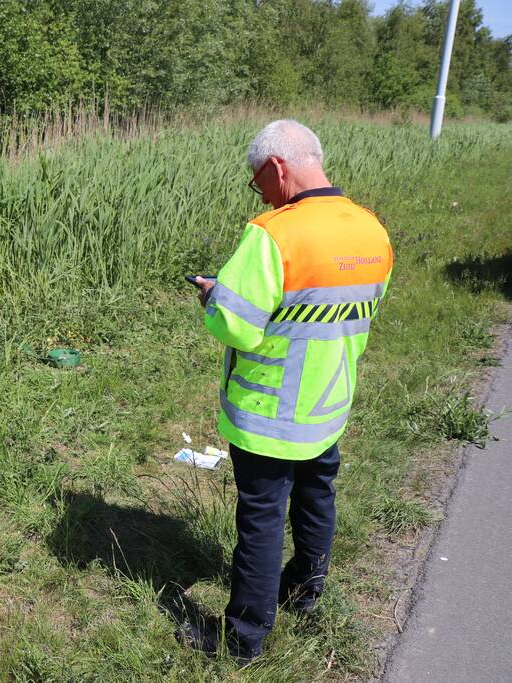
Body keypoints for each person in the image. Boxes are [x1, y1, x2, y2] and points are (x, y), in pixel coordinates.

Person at [186, 119, 394, 663]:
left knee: (260, 519)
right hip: (329, 404)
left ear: (277, 167)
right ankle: (304, 592)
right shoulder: (371, 229)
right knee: (317, 496)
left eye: (258, 182)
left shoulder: (273, 234)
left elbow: (237, 325)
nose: (261, 195)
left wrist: (213, 296)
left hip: (270, 412)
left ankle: (243, 640)